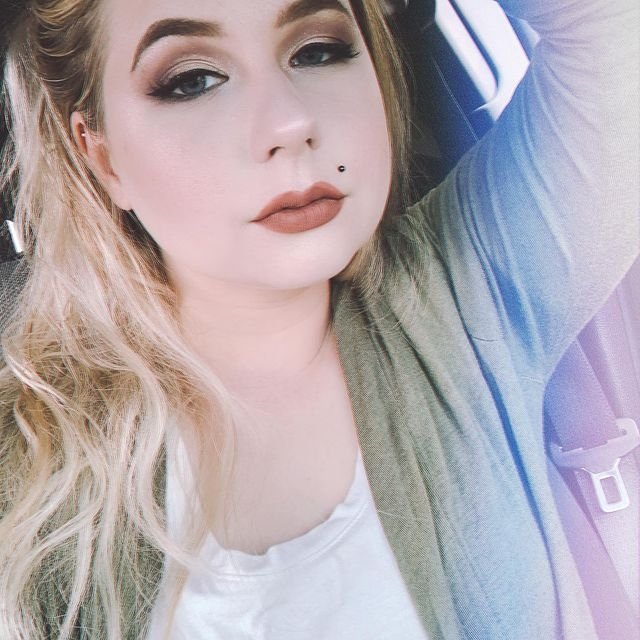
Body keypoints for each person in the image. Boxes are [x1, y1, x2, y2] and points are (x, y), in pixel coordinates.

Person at [0, 0, 637, 638]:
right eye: (192, 80)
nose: (290, 121)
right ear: (103, 157)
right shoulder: (21, 467)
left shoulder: (472, 290)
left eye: (318, 51)